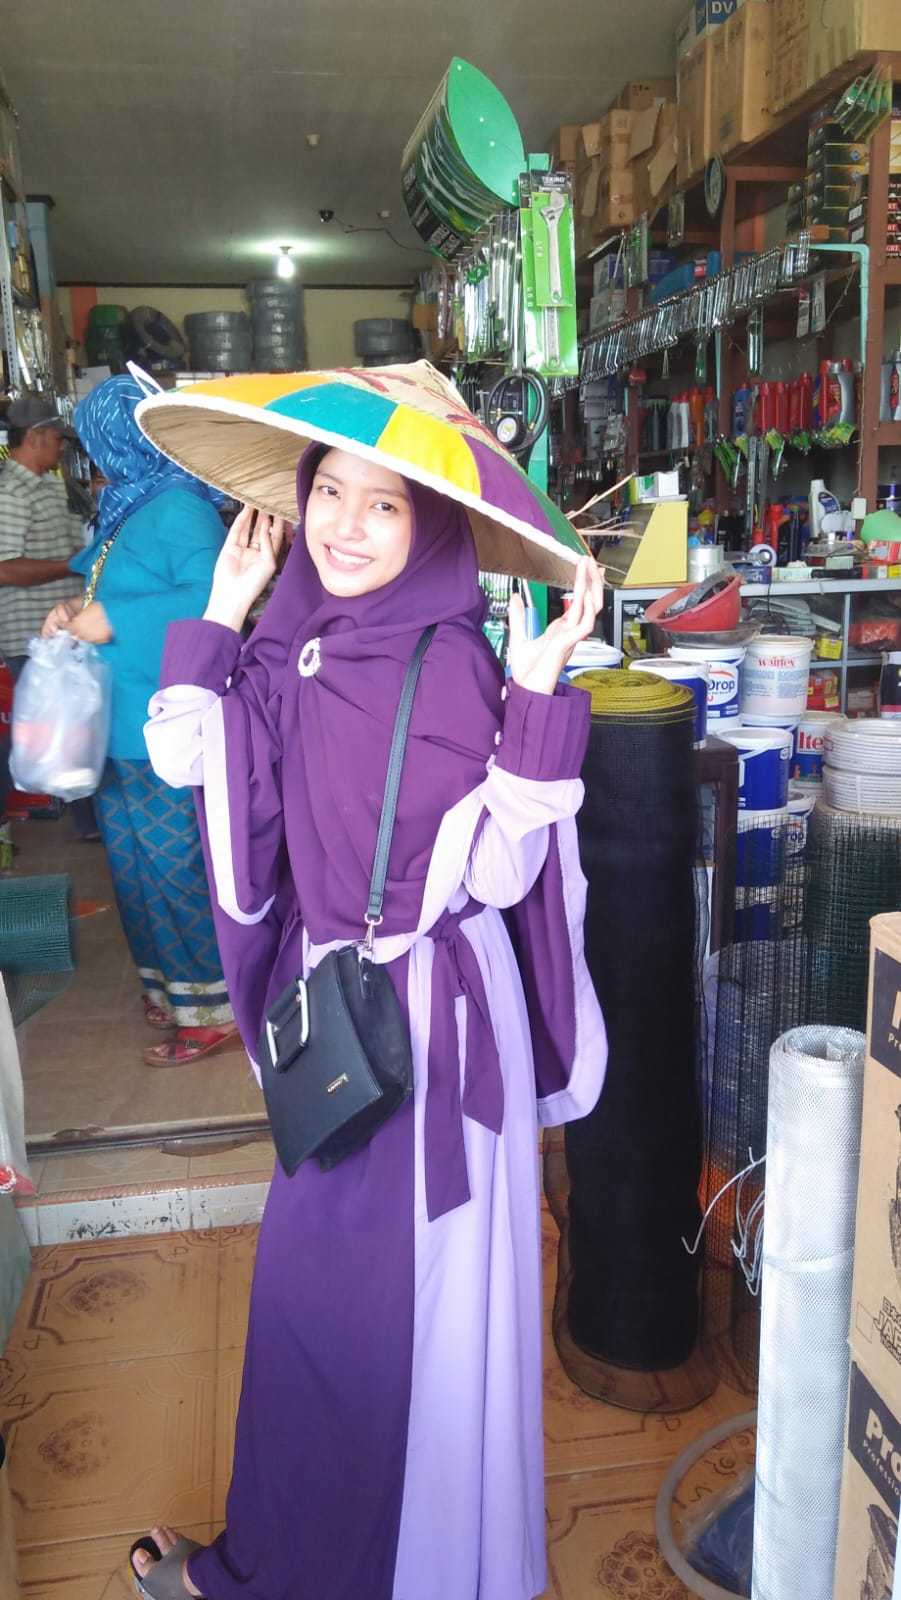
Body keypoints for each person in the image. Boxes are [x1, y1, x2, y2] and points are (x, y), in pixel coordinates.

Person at [132, 434, 608, 1600]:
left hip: (430, 1028)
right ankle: (327, 1563)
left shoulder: (451, 662)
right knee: (337, 1314)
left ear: (432, 523)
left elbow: (496, 871)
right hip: (345, 1020)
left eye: (383, 505)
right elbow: (188, 752)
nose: (344, 525)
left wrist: (535, 694)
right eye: (329, 493)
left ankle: (388, 1572)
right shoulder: (297, 638)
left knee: (403, 1317)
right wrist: (226, 604)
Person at [41, 374, 237, 1065]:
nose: (95, 459)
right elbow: (113, 587)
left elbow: (214, 601)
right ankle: (170, 986)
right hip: (118, 724)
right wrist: (76, 611)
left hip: (162, 727)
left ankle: (214, 1005)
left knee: (175, 868)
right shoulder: (131, 505)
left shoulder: (179, 505)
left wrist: (114, 618)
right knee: (134, 872)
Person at [0, 395, 84, 819]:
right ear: (34, 438)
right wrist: (70, 565)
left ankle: (84, 820)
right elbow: (4, 568)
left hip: (63, 632)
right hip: (31, 637)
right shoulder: (10, 493)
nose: (62, 446)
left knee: (73, 727)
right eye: (56, 437)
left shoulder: (50, 485)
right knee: (36, 731)